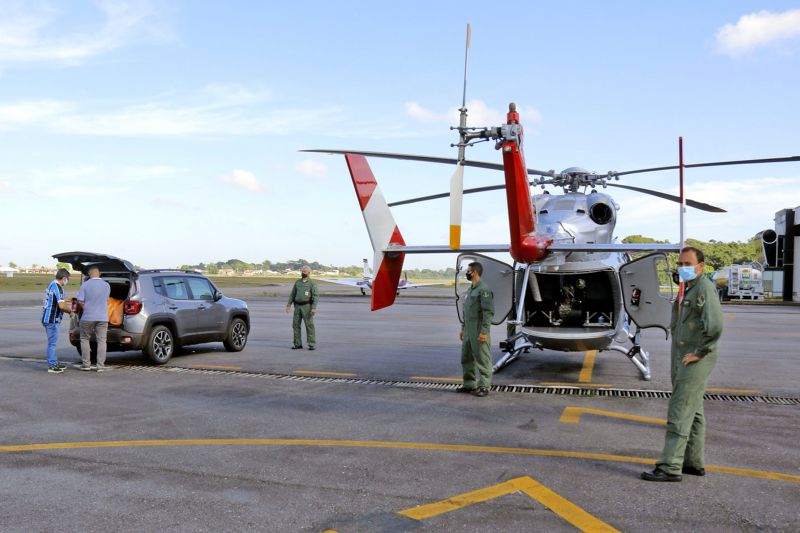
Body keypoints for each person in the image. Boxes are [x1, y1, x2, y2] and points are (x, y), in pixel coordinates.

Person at [642, 246, 724, 482]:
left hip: (694, 358)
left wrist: (700, 352)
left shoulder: (704, 289)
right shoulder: (688, 288)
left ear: (701, 267)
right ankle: (693, 462)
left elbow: (715, 326)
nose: (682, 268)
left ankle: (670, 466)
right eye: (679, 264)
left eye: (687, 264)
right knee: (694, 411)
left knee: (679, 411)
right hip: (682, 356)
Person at [456, 261, 495, 397]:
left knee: (483, 358)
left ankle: (484, 386)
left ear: (475, 272)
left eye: (469, 271)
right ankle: (469, 384)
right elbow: (466, 312)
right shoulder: (470, 289)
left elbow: (488, 312)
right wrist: (463, 328)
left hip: (479, 329)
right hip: (468, 330)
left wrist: (484, 331)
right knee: (466, 358)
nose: (467, 273)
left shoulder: (483, 290)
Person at [76, 266, 111, 372]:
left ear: (89, 275)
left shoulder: (85, 285)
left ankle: (86, 364)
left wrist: (86, 308)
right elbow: (107, 300)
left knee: (85, 339)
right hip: (102, 318)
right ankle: (100, 366)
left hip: (87, 317)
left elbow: (80, 301)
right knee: (102, 341)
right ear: (99, 274)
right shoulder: (107, 285)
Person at [41, 268, 73, 373]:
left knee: (52, 342)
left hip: (47, 318)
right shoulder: (58, 288)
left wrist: (66, 299)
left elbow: (56, 299)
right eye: (67, 279)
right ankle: (52, 365)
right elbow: (62, 306)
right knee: (52, 343)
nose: (67, 281)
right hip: (52, 319)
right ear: (64, 278)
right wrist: (70, 311)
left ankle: (54, 361)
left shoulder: (51, 284)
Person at [286, 266, 318, 350]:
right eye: (302, 271)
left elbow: (315, 296)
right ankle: (297, 344)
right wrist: (289, 305)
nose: (303, 273)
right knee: (295, 325)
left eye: (304, 271)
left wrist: (313, 308)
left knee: (309, 325)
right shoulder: (297, 283)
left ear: (309, 273)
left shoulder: (312, 284)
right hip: (297, 307)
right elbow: (292, 294)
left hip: (307, 307)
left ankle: (311, 344)